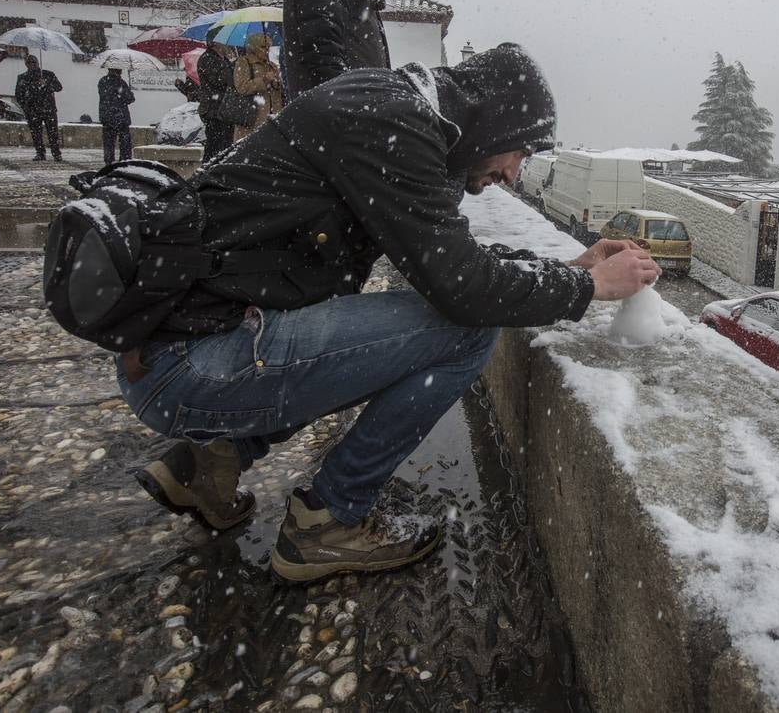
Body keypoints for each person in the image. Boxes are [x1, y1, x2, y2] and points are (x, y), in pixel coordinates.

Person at [118, 45, 658, 583]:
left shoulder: (394, 111)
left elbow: (453, 259)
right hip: (188, 365)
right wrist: (586, 287)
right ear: (492, 123)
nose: (515, 175)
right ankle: (328, 519)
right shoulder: (391, 122)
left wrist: (569, 266)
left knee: (386, 334)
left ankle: (210, 461)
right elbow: (465, 291)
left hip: (185, 349)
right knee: (467, 332)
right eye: (521, 151)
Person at [231, 32, 283, 142]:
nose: (267, 50)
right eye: (263, 47)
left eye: (268, 46)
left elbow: (278, 91)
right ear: (253, 47)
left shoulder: (272, 65)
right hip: (252, 117)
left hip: (272, 117)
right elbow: (242, 87)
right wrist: (264, 80)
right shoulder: (244, 62)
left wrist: (276, 81)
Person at [14, 56, 63, 162]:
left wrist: (46, 84)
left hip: (48, 108)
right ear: (26, 64)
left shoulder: (48, 74)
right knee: (36, 133)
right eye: (29, 63)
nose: (32, 64)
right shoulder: (22, 77)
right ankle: (40, 153)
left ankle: (56, 153)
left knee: (53, 132)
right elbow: (18, 95)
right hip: (33, 110)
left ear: (38, 63)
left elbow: (59, 87)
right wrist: (26, 106)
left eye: (34, 62)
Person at [197, 36, 235, 161]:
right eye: (224, 41)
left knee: (224, 146)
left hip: (223, 109)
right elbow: (220, 80)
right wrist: (233, 65)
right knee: (214, 147)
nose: (227, 45)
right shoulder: (207, 59)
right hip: (213, 110)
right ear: (215, 43)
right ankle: (206, 172)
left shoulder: (222, 59)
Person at [97, 67, 135, 164]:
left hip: (108, 117)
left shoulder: (103, 81)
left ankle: (109, 162)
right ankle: (124, 161)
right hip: (120, 117)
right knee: (124, 143)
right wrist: (122, 92)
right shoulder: (120, 83)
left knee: (109, 143)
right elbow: (130, 99)